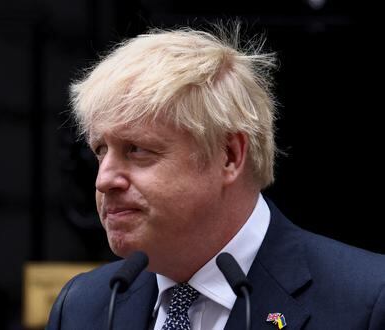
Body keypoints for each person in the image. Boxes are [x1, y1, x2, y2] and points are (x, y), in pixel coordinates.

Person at [47, 25, 385, 330]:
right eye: (101, 150)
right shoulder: (83, 306)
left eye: (136, 149)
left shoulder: (368, 300)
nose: (104, 180)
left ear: (229, 155)